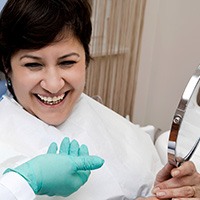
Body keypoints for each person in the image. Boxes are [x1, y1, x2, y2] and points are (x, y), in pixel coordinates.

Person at [0, 0, 199, 199]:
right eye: (33, 65)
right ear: (7, 66)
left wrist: (169, 191)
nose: (54, 85)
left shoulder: (107, 119)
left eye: (67, 62)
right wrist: (26, 181)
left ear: (86, 59)